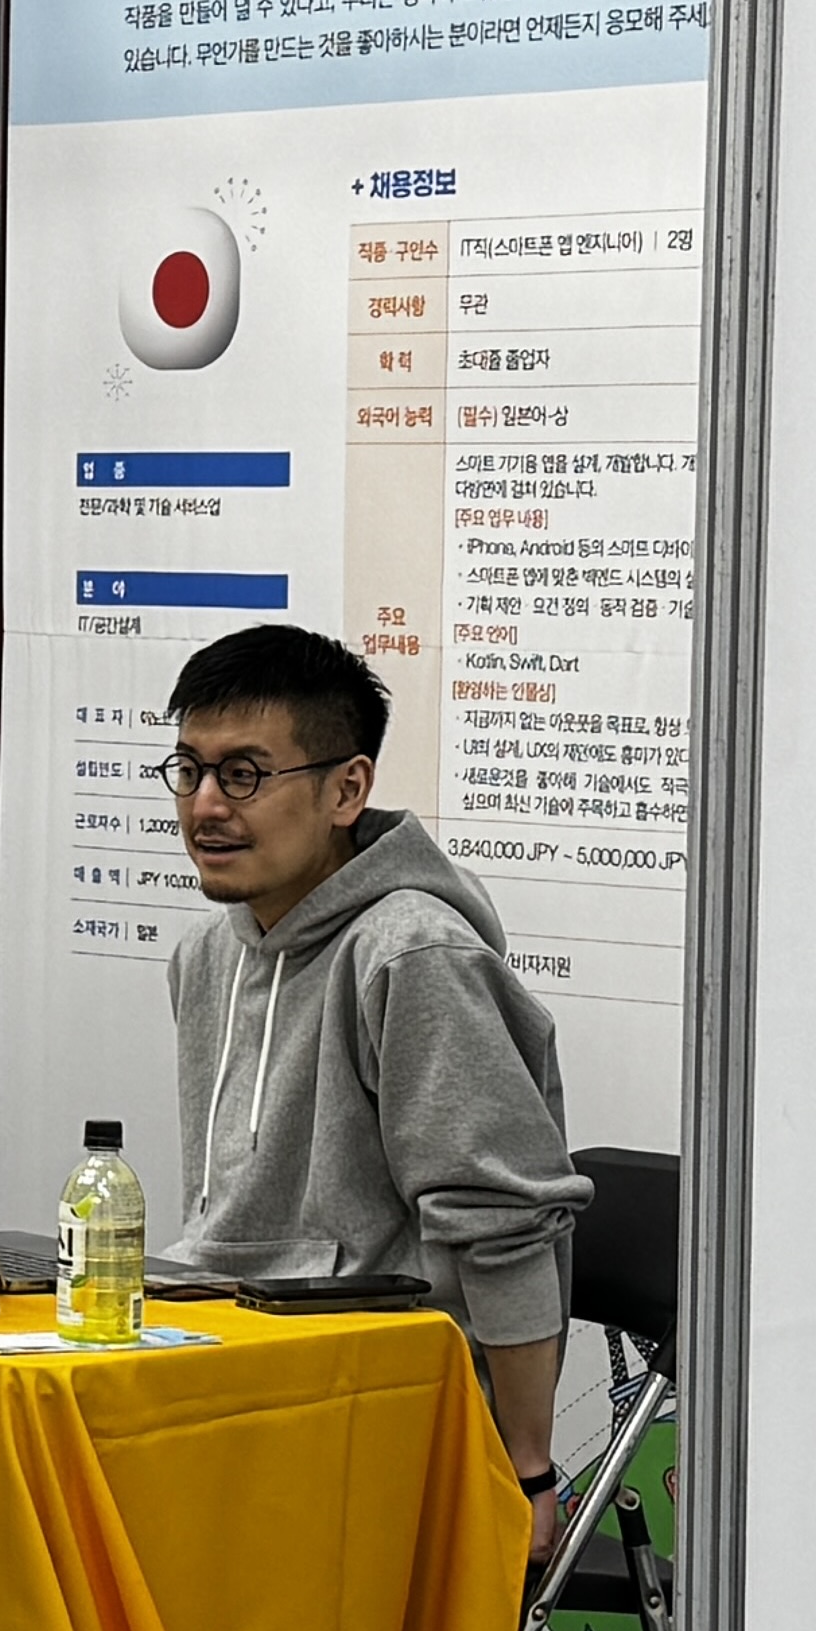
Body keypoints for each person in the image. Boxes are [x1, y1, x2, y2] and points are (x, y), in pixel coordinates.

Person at [158, 620, 591, 1483]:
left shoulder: (412, 955)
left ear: (347, 788)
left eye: (243, 774)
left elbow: (502, 1226)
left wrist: (528, 1469)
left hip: (385, 1417)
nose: (206, 805)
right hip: (228, 1378)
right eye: (190, 769)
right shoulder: (206, 954)